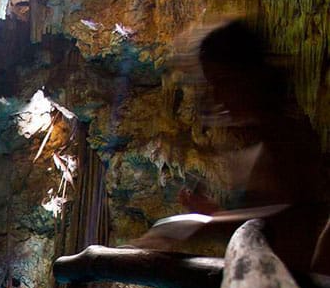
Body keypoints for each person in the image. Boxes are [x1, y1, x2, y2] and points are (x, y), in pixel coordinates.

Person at [132, 19, 330, 274]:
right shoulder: (266, 138)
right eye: (211, 85)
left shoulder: (289, 137)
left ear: (250, 75)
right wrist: (216, 214)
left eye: (223, 82)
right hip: (269, 281)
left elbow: (291, 226)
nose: (217, 96)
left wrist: (203, 224)